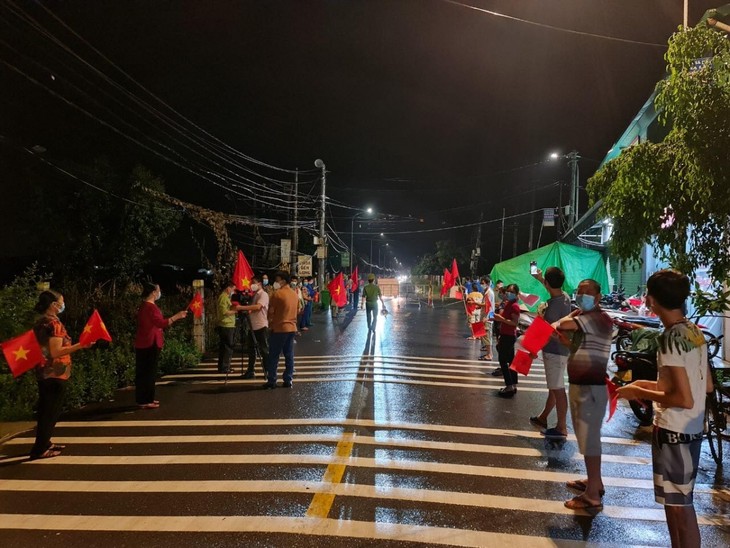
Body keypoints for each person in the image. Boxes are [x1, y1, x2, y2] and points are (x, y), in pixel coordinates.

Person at [617, 270, 711, 547]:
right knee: (677, 505)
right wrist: (646, 383)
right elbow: (703, 386)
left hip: (673, 433)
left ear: (653, 300)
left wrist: (637, 391)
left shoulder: (670, 338)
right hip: (691, 432)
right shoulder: (693, 331)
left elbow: (682, 398)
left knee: (679, 510)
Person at [552, 279, 613, 511]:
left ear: (598, 298)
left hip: (589, 387)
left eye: (587, 292)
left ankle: (592, 495)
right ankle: (594, 481)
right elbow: (581, 348)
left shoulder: (593, 318)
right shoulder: (590, 320)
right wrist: (568, 344)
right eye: (579, 291)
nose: (581, 295)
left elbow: (561, 324)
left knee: (589, 441)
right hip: (586, 385)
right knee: (589, 439)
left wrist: (571, 317)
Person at [30, 290, 93, 460]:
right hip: (55, 373)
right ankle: (40, 449)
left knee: (46, 409)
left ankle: (45, 442)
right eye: (61, 302)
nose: (63, 305)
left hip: (44, 371)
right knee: (50, 412)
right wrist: (81, 345)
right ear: (53, 305)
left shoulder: (41, 322)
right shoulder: (53, 324)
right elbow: (56, 351)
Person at [529, 267, 572, 438]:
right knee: (554, 387)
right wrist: (540, 278)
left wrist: (533, 350)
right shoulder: (565, 298)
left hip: (554, 352)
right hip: (561, 351)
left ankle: (562, 427)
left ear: (547, 283)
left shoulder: (552, 308)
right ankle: (543, 417)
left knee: (558, 389)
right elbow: (552, 287)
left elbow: (546, 334)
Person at [134, 282, 188, 409]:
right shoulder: (150, 307)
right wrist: (177, 316)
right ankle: (145, 400)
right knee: (148, 372)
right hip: (150, 342)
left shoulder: (144, 306)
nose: (159, 292)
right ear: (153, 292)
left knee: (144, 372)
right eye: (158, 290)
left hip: (144, 342)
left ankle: (146, 399)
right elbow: (161, 323)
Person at [264, 271, 298, 389]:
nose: (276, 282)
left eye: (277, 280)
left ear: (283, 280)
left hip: (279, 328)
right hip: (292, 327)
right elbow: (298, 310)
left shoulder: (277, 294)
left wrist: (270, 322)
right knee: (289, 355)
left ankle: (272, 380)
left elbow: (271, 311)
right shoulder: (294, 294)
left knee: (274, 355)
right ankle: (288, 379)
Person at [238, 275, 270, 379]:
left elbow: (258, 307)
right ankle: (250, 371)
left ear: (259, 284)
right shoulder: (254, 295)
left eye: (254, 283)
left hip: (261, 326)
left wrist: (242, 307)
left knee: (264, 350)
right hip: (252, 326)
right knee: (251, 350)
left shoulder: (263, 295)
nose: (252, 285)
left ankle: (268, 371)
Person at [493, 283, 521, 398]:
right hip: (505, 335)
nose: (508, 293)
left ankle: (509, 385)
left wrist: (501, 319)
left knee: (503, 361)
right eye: (508, 291)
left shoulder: (514, 306)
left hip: (509, 336)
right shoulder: (509, 303)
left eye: (511, 292)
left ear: (516, 294)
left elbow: (514, 323)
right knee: (511, 361)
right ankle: (513, 385)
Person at [217, 281, 244, 374]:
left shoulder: (226, 297)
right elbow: (225, 312)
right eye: (233, 289)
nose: (233, 291)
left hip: (227, 324)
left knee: (225, 347)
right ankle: (224, 367)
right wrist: (236, 311)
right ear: (228, 287)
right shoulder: (223, 298)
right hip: (226, 325)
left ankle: (223, 366)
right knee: (228, 347)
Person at [479, 276, 495, 360]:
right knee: (486, 336)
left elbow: (487, 305)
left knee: (487, 336)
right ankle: (488, 353)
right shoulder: (486, 292)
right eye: (481, 283)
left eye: (483, 283)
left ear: (488, 284)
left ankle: (489, 355)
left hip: (487, 317)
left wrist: (475, 303)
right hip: (487, 316)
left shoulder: (489, 293)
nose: (481, 285)